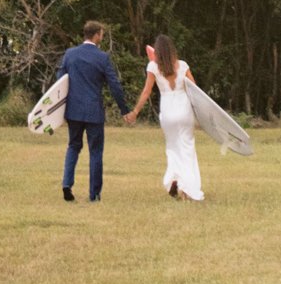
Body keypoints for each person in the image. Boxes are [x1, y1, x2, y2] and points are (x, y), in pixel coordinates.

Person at [55, 20, 128, 203]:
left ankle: (66, 184)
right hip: (94, 110)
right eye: (101, 34)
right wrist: (124, 109)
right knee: (95, 151)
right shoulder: (102, 57)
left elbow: (59, 81)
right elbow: (114, 85)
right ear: (96, 35)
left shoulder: (70, 54)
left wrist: (57, 110)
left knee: (73, 146)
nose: (102, 37)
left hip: (73, 110)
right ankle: (94, 194)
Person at [124, 34, 203, 201]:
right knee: (187, 148)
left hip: (167, 111)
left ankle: (174, 180)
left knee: (173, 148)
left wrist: (135, 112)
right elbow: (195, 89)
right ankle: (188, 189)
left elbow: (147, 92)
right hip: (184, 109)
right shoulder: (182, 65)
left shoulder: (153, 67)